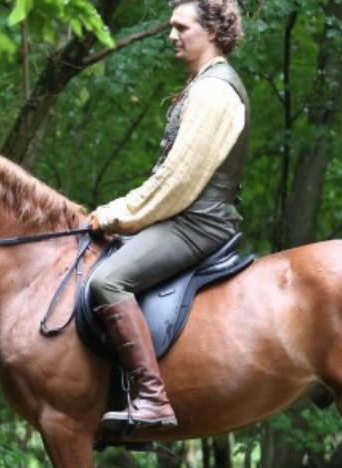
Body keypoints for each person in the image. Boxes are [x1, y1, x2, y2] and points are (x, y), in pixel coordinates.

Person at [87, 0, 247, 430]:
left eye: (181, 27)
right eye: (170, 27)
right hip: (190, 217)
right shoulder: (202, 84)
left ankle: (153, 400)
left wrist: (118, 215)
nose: (171, 36)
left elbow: (178, 182)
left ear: (211, 31)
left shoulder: (214, 91)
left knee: (107, 280)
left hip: (197, 222)